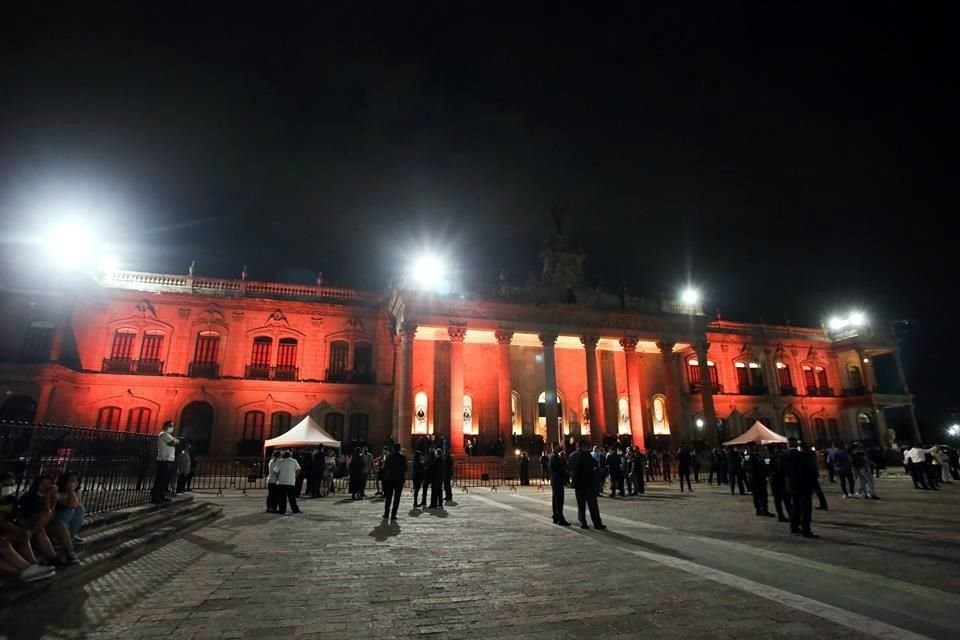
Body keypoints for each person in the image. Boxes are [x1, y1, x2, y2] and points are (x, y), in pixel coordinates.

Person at [0, 472, 57, 581]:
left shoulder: (11, 500)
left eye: (11, 485)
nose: (9, 488)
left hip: (8, 531)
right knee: (5, 546)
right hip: (6, 531)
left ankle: (32, 566)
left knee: (23, 535)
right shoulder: (30, 497)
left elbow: (16, 516)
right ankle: (28, 570)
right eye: (6, 485)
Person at [18, 475, 80, 564]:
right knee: (43, 521)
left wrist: (53, 499)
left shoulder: (52, 496)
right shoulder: (30, 497)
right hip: (32, 525)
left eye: (49, 484)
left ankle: (70, 552)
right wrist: (48, 495)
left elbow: (52, 514)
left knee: (60, 525)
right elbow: (47, 511)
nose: (46, 486)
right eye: (43, 484)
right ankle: (52, 557)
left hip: (45, 525)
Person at [783, 439, 818, 538]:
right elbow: (810, 472)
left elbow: (781, 470)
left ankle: (794, 526)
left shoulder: (784, 456)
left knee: (795, 507)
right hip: (804, 485)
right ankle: (806, 530)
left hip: (791, 485)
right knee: (806, 509)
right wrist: (814, 485)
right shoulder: (803, 456)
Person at [569, 439, 605, 530]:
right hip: (588, 484)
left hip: (578, 485)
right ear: (584, 446)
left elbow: (569, 467)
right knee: (592, 505)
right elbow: (595, 463)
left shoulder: (572, 455)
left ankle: (583, 523)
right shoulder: (586, 455)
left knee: (581, 505)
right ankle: (597, 523)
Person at [53, 471, 87, 544]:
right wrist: (70, 490)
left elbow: (77, 505)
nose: (74, 482)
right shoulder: (58, 491)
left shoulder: (77, 492)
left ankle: (70, 535)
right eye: (71, 480)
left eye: (76, 480)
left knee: (80, 509)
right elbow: (72, 504)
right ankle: (58, 536)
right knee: (70, 510)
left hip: (67, 521)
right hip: (55, 521)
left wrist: (72, 492)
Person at [151, 421, 180, 504]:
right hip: (164, 460)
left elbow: (176, 442)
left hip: (168, 460)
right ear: (166, 426)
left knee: (164, 480)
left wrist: (176, 441)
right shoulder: (163, 434)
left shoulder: (168, 435)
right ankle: (155, 496)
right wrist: (176, 441)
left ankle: (161, 495)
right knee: (160, 479)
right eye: (170, 425)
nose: (172, 427)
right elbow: (173, 443)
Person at [744, 445, 773, 517]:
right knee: (762, 495)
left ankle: (759, 509)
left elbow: (745, 467)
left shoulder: (748, 457)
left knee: (757, 495)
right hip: (758, 479)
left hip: (753, 479)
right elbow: (760, 467)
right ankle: (763, 510)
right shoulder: (755, 457)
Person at [381, 443, 407, 520]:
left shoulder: (389, 457)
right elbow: (405, 468)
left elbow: (385, 467)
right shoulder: (402, 457)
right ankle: (393, 514)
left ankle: (386, 513)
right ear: (399, 449)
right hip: (399, 479)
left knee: (388, 497)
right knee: (397, 498)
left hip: (389, 479)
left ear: (393, 448)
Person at [549, 444, 571, 526]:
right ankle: (560, 518)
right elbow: (559, 468)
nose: (559, 448)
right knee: (559, 499)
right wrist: (565, 472)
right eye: (557, 447)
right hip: (557, 479)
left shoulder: (552, 456)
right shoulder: (555, 457)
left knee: (555, 499)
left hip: (554, 479)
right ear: (554, 447)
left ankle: (555, 516)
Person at [275, 450, 302, 514]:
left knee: (282, 497)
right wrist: (295, 476)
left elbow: (275, 471)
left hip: (281, 482)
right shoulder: (294, 461)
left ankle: (282, 510)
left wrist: (278, 477)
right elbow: (299, 469)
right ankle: (295, 510)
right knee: (292, 497)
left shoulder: (280, 462)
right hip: (290, 482)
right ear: (290, 455)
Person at [767, 445, 789, 522]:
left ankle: (781, 515)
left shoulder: (770, 458)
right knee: (785, 499)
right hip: (779, 480)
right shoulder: (777, 458)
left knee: (778, 499)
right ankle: (787, 515)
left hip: (774, 481)